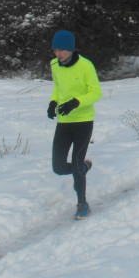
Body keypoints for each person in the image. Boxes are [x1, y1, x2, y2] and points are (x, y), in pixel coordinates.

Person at [48, 30, 102, 220]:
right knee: (58, 167)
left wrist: (76, 102)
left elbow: (96, 93)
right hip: (64, 122)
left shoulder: (86, 66)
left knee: (77, 162)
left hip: (83, 121)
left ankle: (82, 203)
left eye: (62, 50)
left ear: (71, 49)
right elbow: (57, 85)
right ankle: (83, 168)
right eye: (55, 50)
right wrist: (53, 102)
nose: (58, 54)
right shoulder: (54, 65)